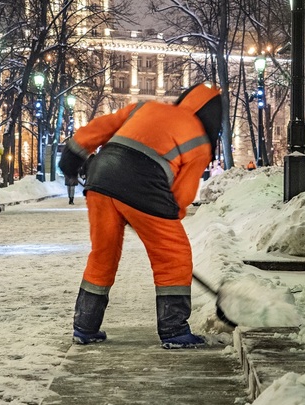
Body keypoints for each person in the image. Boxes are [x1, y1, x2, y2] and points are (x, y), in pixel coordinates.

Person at [59, 82, 222, 349]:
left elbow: (100, 127)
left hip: (100, 179)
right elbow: (181, 195)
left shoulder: (146, 107)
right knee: (174, 256)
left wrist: (73, 154)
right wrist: (163, 219)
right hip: (145, 186)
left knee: (103, 254)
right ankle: (174, 330)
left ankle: (85, 327)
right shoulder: (200, 142)